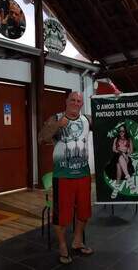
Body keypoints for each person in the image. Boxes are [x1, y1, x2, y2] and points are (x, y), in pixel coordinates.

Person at [38, 92, 93, 264]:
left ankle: (77, 241)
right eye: (73, 100)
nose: (75, 103)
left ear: (81, 104)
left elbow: (108, 118)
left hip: (83, 174)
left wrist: (116, 99)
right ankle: (63, 246)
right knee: (61, 216)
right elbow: (41, 139)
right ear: (66, 101)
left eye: (79, 101)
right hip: (63, 175)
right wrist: (56, 126)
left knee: (84, 212)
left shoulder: (87, 119)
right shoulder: (56, 118)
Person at [109, 124, 135, 199]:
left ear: (125, 131)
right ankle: (129, 179)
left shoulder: (129, 139)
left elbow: (131, 150)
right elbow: (114, 149)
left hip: (126, 157)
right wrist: (122, 152)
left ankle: (116, 188)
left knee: (119, 164)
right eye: (120, 131)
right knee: (119, 161)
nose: (121, 132)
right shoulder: (116, 139)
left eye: (123, 131)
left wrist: (126, 153)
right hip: (117, 156)